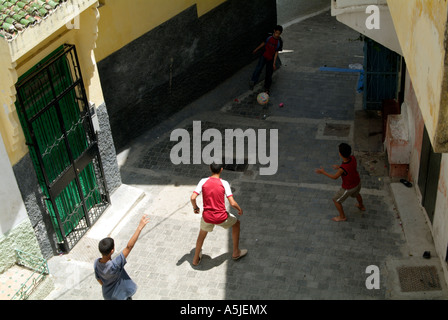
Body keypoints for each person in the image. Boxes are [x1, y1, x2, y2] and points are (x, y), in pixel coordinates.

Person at [190, 163, 247, 266]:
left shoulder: (203, 181)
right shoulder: (224, 183)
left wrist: (195, 208)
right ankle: (236, 252)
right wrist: (239, 209)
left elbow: (193, 197)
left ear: (210, 168)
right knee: (236, 224)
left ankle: (195, 259)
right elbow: (232, 203)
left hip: (207, 217)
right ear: (221, 170)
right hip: (222, 217)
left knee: (201, 235)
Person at [94, 214, 150, 300]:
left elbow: (99, 279)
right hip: (121, 296)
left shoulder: (96, 263)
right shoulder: (115, 265)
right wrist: (139, 228)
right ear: (112, 251)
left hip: (108, 296)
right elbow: (129, 247)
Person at [315, 143, 365, 222]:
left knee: (336, 200)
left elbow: (334, 177)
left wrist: (323, 172)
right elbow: (349, 167)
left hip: (348, 187)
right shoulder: (353, 158)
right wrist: (339, 167)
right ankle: (361, 206)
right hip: (357, 183)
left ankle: (342, 217)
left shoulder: (342, 168)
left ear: (340, 154)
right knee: (357, 194)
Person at [249, 25, 284, 94]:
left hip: (271, 58)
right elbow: (263, 43)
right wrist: (256, 49)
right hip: (264, 55)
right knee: (259, 68)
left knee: (269, 73)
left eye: (279, 34)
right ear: (274, 31)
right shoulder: (269, 36)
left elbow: (276, 52)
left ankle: (267, 88)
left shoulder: (280, 41)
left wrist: (274, 63)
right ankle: (253, 81)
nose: (277, 35)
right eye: (276, 33)